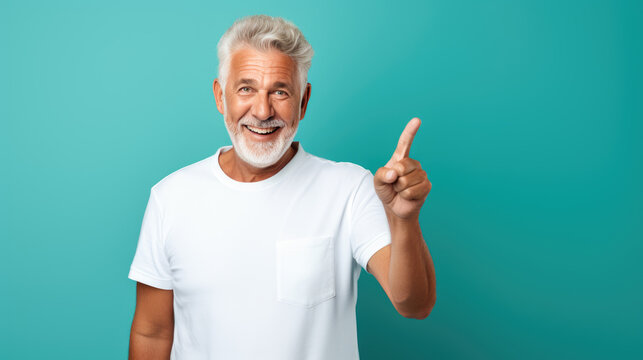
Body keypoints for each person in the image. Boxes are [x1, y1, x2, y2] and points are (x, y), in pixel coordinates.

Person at [127, 14, 435, 360]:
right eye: (246, 88)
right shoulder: (170, 197)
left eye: (280, 91)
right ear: (220, 96)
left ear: (303, 102)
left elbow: (414, 304)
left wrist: (405, 220)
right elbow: (151, 332)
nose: (262, 111)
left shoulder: (349, 189)